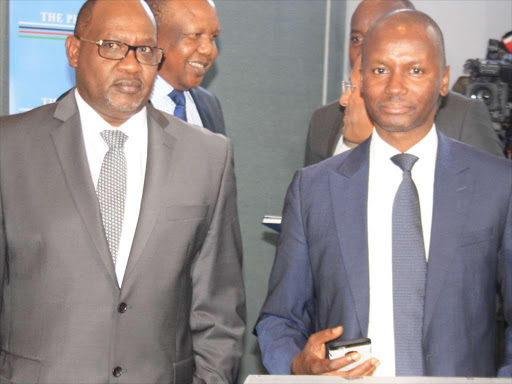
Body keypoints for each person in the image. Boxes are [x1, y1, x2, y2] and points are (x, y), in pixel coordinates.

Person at [256, 9, 512, 377]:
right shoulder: (314, 189)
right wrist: (297, 365)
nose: (395, 86)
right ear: (359, 78)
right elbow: (279, 319)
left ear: (443, 80)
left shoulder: (498, 184)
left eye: (415, 70)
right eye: (379, 70)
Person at [0, 0, 245, 383]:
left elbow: (219, 312)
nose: (131, 65)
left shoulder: (207, 156)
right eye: (112, 46)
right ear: (75, 50)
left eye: (145, 51)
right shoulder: (9, 148)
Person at [304, 0, 504, 166]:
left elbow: (491, 197)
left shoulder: (463, 115)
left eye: (386, 33)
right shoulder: (325, 120)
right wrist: (351, 147)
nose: (369, 47)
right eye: (357, 38)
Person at [146, 0, 226, 135]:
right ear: (153, 35)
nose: (208, 50)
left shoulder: (209, 104)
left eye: (213, 37)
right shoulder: (125, 103)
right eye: (195, 35)